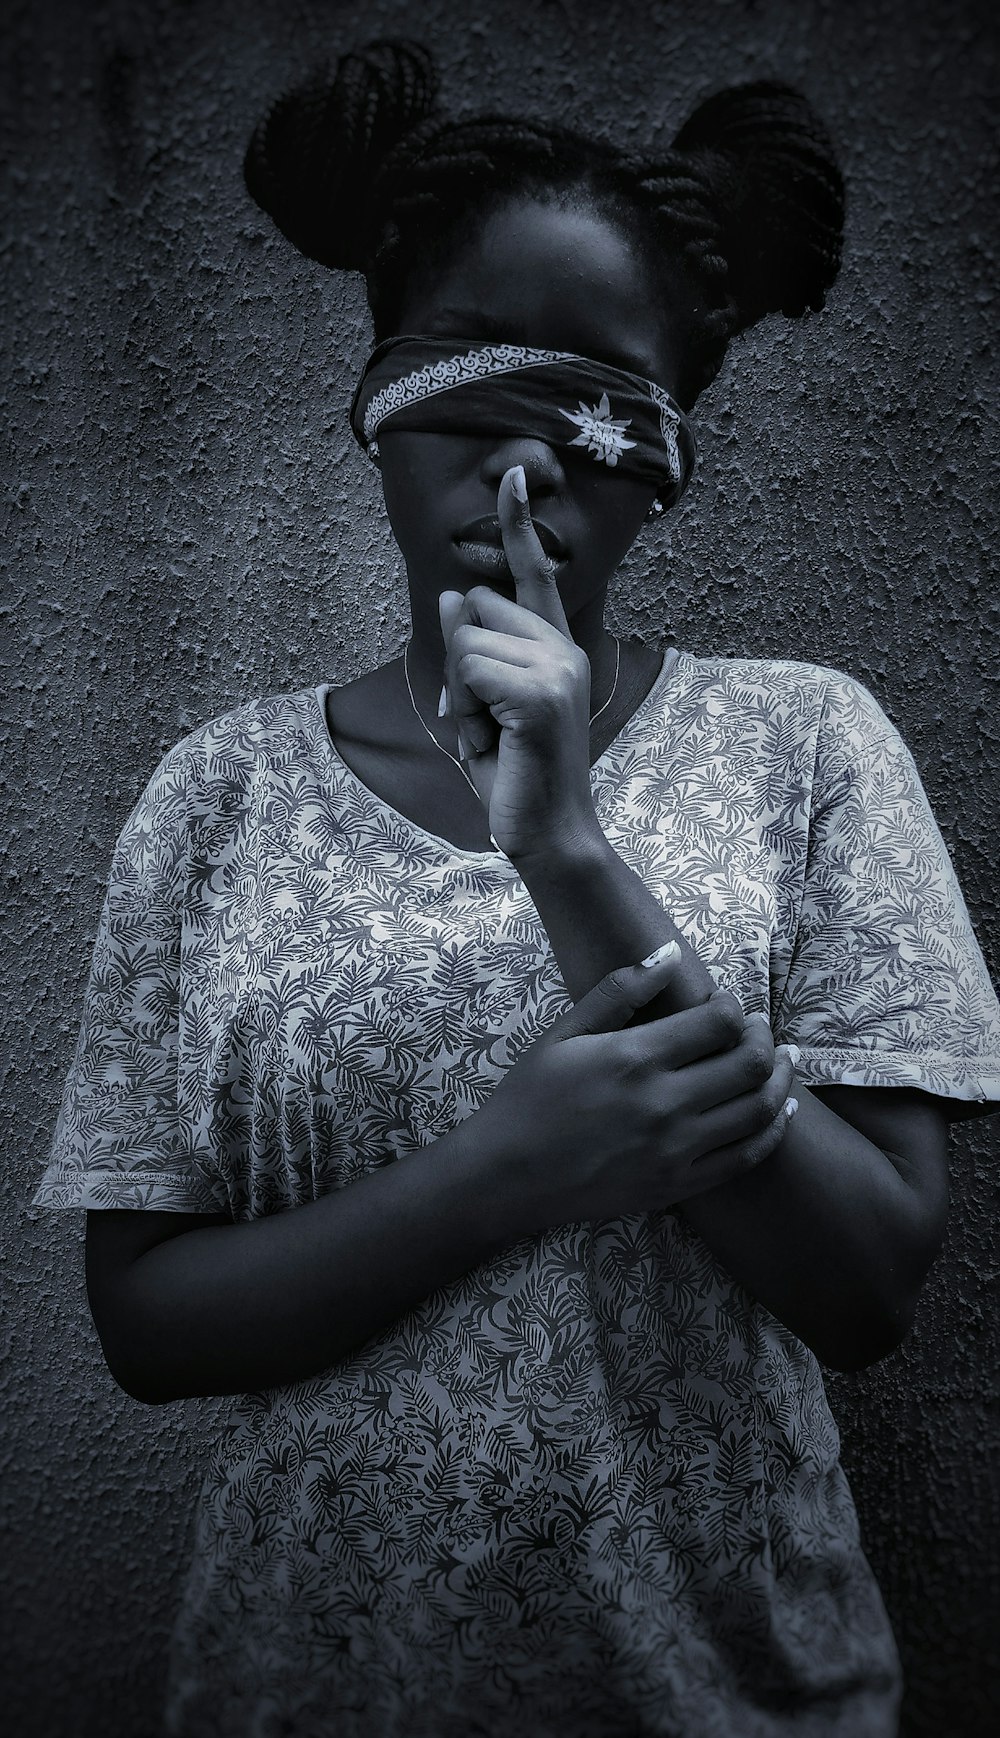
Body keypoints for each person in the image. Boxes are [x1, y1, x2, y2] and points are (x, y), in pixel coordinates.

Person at [32, 35, 1000, 1738]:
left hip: (728, 1698)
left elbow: (869, 1285)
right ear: (380, 407)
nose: (524, 477)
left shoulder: (810, 745)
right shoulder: (215, 792)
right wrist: (505, 1170)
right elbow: (146, 1319)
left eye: (597, 416)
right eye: (471, 400)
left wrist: (566, 850)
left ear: (671, 440)